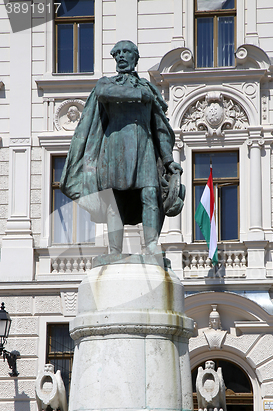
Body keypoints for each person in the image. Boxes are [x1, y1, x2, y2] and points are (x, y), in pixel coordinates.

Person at [60, 40, 184, 256]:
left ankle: (152, 246)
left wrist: (167, 159)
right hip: (113, 148)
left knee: (150, 194)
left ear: (135, 58)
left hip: (144, 148)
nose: (122, 57)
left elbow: (160, 128)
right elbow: (103, 93)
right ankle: (115, 251)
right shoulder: (107, 84)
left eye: (127, 52)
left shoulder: (148, 88)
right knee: (113, 201)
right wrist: (138, 96)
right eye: (117, 53)